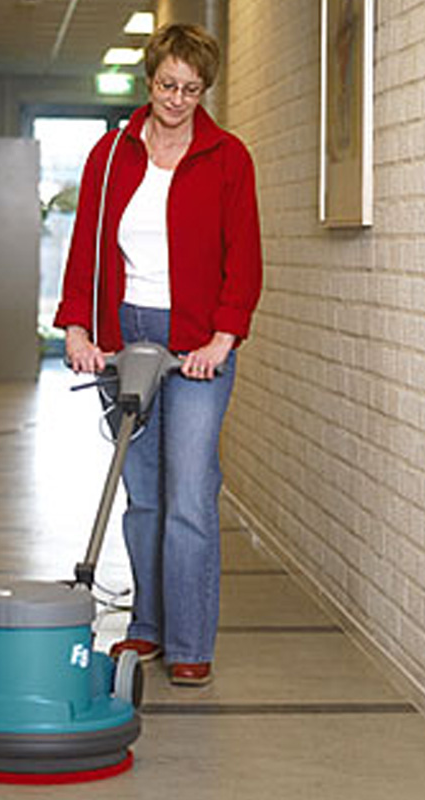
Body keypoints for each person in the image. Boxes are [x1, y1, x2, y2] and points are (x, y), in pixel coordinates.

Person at [55, 23, 262, 687]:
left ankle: (191, 640)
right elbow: (87, 245)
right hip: (127, 334)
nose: (177, 99)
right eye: (168, 85)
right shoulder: (112, 153)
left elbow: (244, 258)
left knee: (190, 493)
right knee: (142, 492)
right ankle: (146, 627)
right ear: (150, 81)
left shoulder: (228, 157)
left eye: (192, 90)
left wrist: (222, 339)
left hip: (199, 337)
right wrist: (79, 330)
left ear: (206, 90)